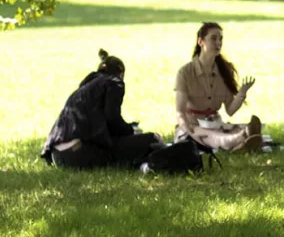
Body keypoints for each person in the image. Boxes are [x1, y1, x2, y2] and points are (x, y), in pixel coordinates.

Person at [41, 49, 162, 168]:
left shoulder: (86, 86)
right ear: (121, 74)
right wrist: (130, 130)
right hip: (78, 154)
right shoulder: (114, 82)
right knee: (151, 140)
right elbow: (112, 118)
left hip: (57, 156)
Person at [174, 22, 263, 152]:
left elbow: (230, 110)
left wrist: (242, 92)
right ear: (200, 41)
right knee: (214, 136)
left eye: (220, 39)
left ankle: (243, 140)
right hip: (192, 127)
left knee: (229, 130)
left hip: (215, 124)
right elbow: (179, 112)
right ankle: (241, 139)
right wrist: (189, 130)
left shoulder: (224, 71)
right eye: (213, 38)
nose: (218, 43)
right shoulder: (185, 73)